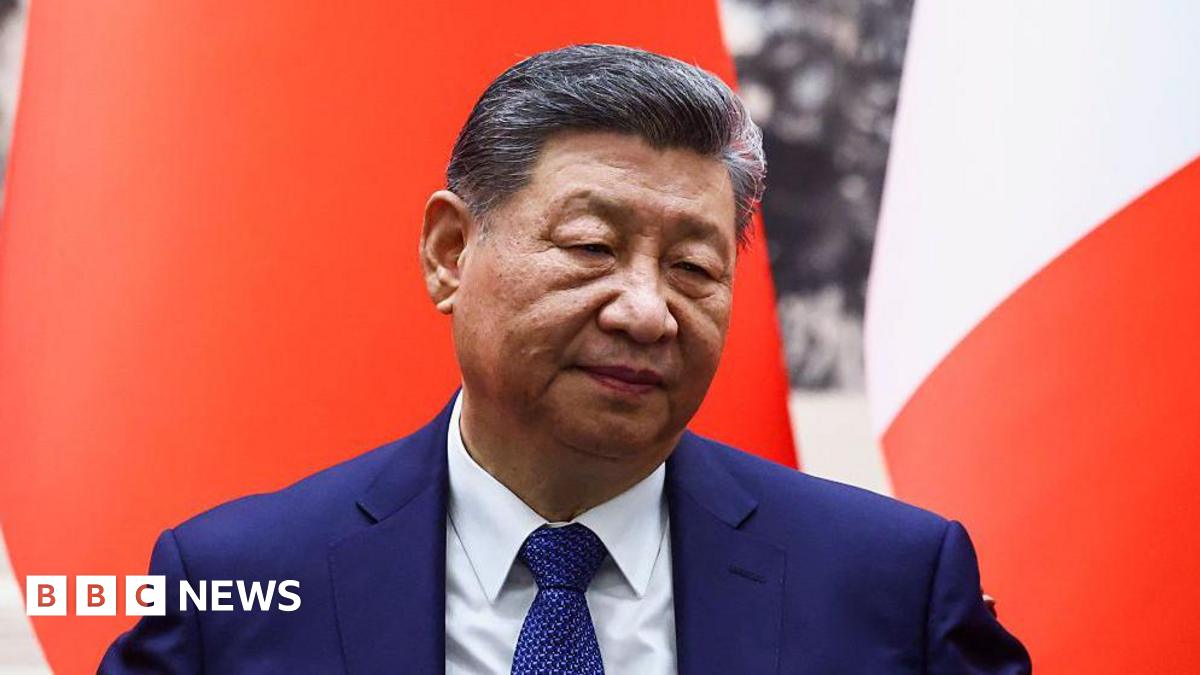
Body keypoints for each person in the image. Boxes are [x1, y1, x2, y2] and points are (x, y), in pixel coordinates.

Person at [100, 44, 1030, 674]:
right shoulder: (232, 589)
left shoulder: (892, 587)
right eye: (591, 247)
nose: (645, 310)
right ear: (450, 254)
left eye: (694, 267)